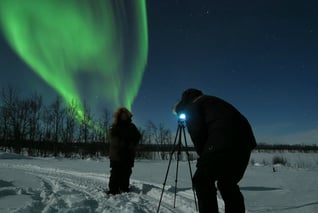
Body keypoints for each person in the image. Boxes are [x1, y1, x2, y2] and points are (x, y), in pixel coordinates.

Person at [174, 88, 257, 213]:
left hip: (223, 140)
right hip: (245, 143)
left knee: (202, 180)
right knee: (227, 184)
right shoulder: (211, 100)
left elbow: (198, 134)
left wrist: (204, 157)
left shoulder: (193, 106)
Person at [108, 107, 141, 195]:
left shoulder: (132, 126)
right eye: (122, 115)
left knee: (126, 172)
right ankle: (113, 190)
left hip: (128, 154)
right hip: (117, 153)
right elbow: (113, 138)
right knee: (115, 172)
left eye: (125, 115)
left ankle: (124, 188)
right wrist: (122, 143)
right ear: (119, 116)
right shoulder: (115, 126)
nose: (124, 116)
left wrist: (132, 144)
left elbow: (138, 136)